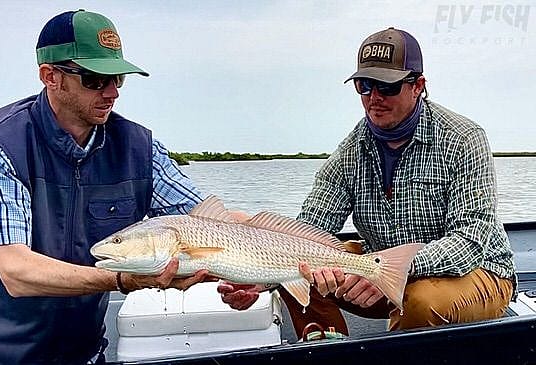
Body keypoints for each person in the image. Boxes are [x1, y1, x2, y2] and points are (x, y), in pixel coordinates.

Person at [0, 10, 212, 365]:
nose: (112, 92)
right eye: (95, 79)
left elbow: (209, 222)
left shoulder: (139, 147)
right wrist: (122, 280)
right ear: (50, 76)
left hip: (83, 353)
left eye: (118, 78)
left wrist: (246, 277)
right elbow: (16, 273)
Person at [218, 27, 516, 337]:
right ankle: (329, 348)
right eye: (364, 85)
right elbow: (308, 231)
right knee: (305, 273)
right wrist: (259, 279)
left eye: (387, 87)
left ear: (418, 86)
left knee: (420, 301)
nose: (374, 98)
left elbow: (470, 241)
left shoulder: (463, 139)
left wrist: (394, 269)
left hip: (479, 273)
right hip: (379, 271)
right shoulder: (350, 152)